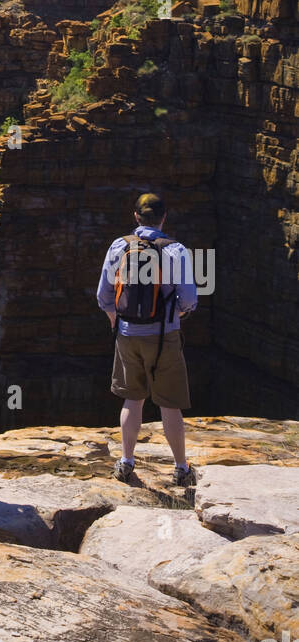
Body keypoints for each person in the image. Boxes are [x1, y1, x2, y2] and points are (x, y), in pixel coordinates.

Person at [97, 191, 198, 486]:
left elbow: (104, 295)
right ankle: (180, 467)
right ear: (164, 218)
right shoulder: (176, 250)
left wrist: (116, 319)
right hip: (164, 337)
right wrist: (174, 316)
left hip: (127, 335)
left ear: (136, 218)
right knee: (170, 404)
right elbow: (189, 299)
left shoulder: (119, 246)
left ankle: (126, 462)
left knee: (132, 399)